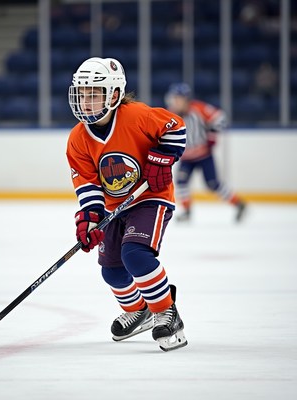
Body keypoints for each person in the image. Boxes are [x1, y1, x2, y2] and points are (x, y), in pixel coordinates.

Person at [66, 57, 188, 352]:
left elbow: (176, 128)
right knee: (112, 270)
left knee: (136, 255)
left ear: (115, 94)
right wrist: (91, 217)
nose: (86, 101)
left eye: (94, 94)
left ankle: (166, 313)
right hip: (114, 206)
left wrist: (162, 158)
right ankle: (139, 310)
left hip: (150, 198)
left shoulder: (136, 116)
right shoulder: (78, 138)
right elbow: (87, 182)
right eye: (82, 93)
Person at [164, 83, 246, 222]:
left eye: (178, 99)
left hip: (204, 155)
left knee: (213, 184)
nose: (175, 102)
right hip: (186, 157)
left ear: (186, 99)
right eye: (174, 98)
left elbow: (220, 118)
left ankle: (238, 204)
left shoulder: (198, 108)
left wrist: (212, 135)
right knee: (181, 183)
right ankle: (187, 212)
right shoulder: (170, 113)